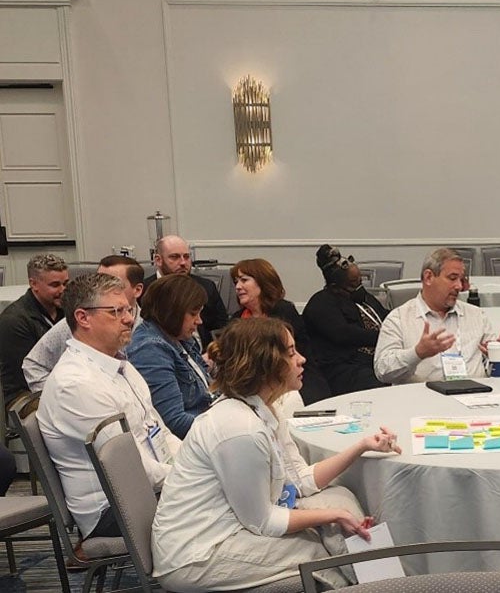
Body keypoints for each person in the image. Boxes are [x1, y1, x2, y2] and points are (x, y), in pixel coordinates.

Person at [151, 317, 401, 592]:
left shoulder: (264, 410)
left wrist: (362, 445)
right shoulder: (240, 429)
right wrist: (332, 516)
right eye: (291, 352)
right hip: (196, 554)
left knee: (340, 498)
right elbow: (263, 521)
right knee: (321, 550)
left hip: (224, 529)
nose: (302, 359)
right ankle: (382, 583)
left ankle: (382, 582)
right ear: (266, 363)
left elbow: (300, 480)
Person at [37, 273, 180, 539]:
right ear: (83, 318)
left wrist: (194, 465)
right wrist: (194, 478)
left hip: (148, 488)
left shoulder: (119, 364)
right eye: (116, 311)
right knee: (230, 498)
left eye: (129, 309)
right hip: (114, 509)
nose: (128, 319)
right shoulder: (76, 384)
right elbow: (131, 469)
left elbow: (160, 432)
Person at [375, 248, 500, 384]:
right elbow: (382, 370)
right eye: (452, 278)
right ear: (428, 277)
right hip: (423, 401)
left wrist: (498, 356)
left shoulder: (477, 316)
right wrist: (417, 353)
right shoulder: (399, 319)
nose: (459, 286)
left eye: (461, 280)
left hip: (474, 398)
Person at [23, 255, 144, 393]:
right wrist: (57, 395)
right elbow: (34, 364)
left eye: (112, 282)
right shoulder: (79, 323)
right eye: (98, 280)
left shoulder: (147, 326)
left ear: (137, 290)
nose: (99, 288)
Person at [127, 275, 212, 438]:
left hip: (205, 421)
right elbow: (174, 422)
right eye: (194, 314)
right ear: (172, 311)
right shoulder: (150, 349)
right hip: (189, 442)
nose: (199, 321)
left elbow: (208, 386)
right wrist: (226, 426)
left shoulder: (180, 337)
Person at [302, 246, 388, 403]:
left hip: (378, 358)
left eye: (360, 282)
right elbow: (345, 334)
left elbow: (385, 316)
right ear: (335, 287)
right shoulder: (321, 304)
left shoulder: (364, 297)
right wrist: (386, 336)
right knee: (379, 387)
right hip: (343, 367)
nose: (359, 288)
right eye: (353, 284)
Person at [0, 254, 69, 408]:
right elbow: (26, 375)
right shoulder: (14, 321)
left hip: (59, 383)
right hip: (24, 396)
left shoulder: (66, 310)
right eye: (55, 285)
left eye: (66, 283)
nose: (63, 290)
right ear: (34, 284)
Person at [142, 235, 228, 346]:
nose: (183, 263)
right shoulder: (144, 290)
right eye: (175, 257)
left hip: (203, 354)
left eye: (186, 257)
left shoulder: (206, 287)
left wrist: (213, 351)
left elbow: (222, 327)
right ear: (158, 260)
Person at [229, 258, 308, 352]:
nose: (237, 287)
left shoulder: (283, 311)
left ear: (262, 282)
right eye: (236, 282)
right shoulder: (237, 318)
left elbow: (301, 352)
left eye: (244, 280)